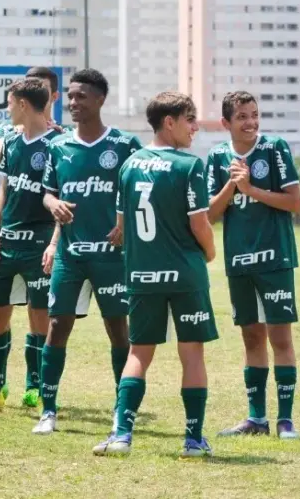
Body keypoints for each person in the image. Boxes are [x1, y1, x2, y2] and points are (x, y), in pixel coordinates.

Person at [93, 92, 218, 458]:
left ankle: (121, 435)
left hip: (142, 274)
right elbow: (201, 225)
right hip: (185, 275)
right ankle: (194, 440)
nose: (195, 126)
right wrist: (209, 253)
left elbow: (121, 226)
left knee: (138, 353)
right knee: (191, 353)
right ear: (169, 122)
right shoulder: (189, 165)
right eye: (189, 119)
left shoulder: (129, 165)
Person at [32, 69, 141, 434]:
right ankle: (48, 410)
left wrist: (127, 226)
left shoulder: (125, 146)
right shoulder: (58, 146)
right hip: (70, 254)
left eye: (82, 96)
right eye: (71, 97)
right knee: (57, 325)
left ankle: (121, 408)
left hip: (112, 255)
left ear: (100, 100)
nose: (74, 103)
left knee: (118, 330)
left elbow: (143, 190)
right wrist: (53, 205)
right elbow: (47, 191)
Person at [207, 92, 300, 439]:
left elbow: (295, 203)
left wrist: (252, 188)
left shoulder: (275, 148)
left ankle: (286, 420)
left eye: (254, 115)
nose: (250, 122)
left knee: (280, 336)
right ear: (226, 123)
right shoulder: (217, 156)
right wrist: (233, 187)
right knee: (251, 337)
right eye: (242, 117)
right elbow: (210, 216)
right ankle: (256, 419)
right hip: (239, 261)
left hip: (275, 258)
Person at [0, 79, 60, 414]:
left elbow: (63, 199)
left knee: (40, 317)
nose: (6, 109)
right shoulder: (12, 142)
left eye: (9, 103)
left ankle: (35, 386)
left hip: (39, 245)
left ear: (21, 103)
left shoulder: (57, 144)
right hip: (9, 242)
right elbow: (4, 193)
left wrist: (53, 243)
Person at [0, 67, 62, 164]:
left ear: (54, 96)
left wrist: (60, 137)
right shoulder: (7, 127)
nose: (36, 93)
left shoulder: (63, 132)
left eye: (43, 89)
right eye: (31, 89)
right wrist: (23, 129)